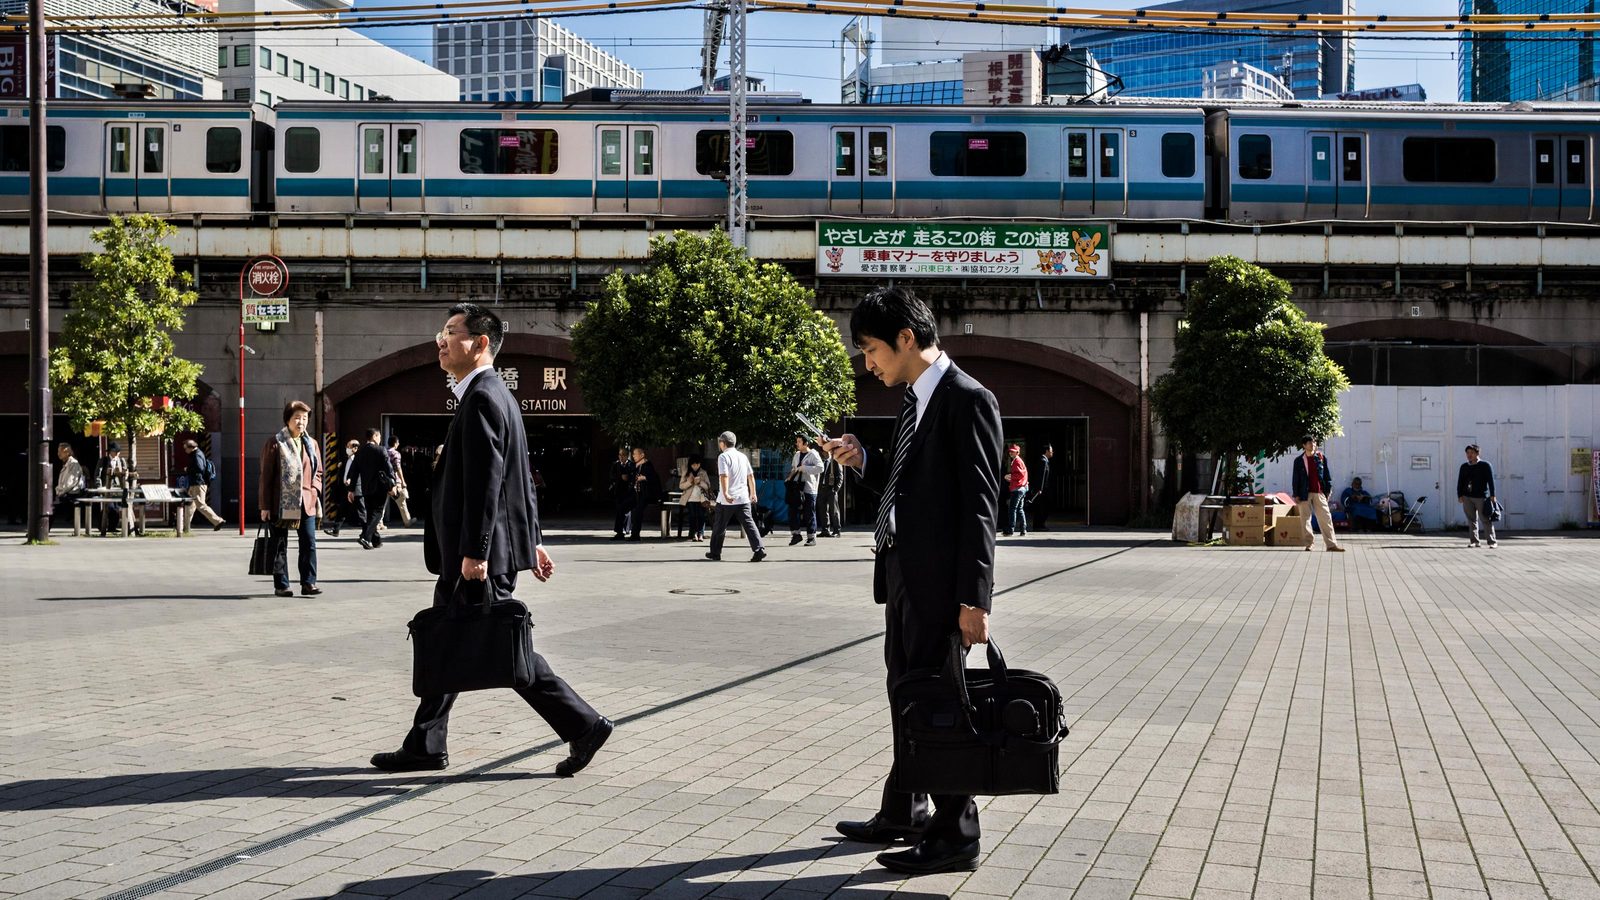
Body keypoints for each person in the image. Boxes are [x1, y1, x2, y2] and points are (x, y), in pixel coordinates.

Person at [371, 302, 612, 777]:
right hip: (484, 550)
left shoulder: (483, 395)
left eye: (450, 332)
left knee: (503, 649)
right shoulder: (493, 393)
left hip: (476, 555)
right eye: (440, 331)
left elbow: (488, 481)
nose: (440, 340)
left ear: (480, 343)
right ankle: (425, 743)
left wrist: (476, 553)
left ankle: (584, 724)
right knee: (450, 637)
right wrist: (533, 541)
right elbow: (517, 479)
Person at [822, 285, 1001, 875]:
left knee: (937, 701)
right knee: (907, 694)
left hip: (940, 588)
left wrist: (975, 599)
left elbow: (979, 507)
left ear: (906, 338)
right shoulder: (913, 401)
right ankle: (906, 807)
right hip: (903, 575)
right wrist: (864, 461)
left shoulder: (967, 400)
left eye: (872, 349)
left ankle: (956, 834)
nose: (867, 363)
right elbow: (910, 489)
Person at [258, 400, 323, 597]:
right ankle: (282, 585)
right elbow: (266, 477)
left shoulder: (312, 444)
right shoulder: (275, 443)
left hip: (306, 501)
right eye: (297, 418)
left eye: (304, 418)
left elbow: (318, 472)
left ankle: (308, 583)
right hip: (281, 502)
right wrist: (265, 506)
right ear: (288, 420)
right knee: (280, 544)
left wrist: (314, 490)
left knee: (309, 542)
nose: (301, 422)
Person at [706, 431, 766, 563]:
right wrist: (753, 493)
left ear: (723, 443)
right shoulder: (742, 456)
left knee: (719, 525)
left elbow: (724, 475)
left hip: (726, 500)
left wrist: (726, 492)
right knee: (749, 524)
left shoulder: (723, 457)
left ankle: (715, 552)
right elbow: (750, 476)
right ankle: (759, 549)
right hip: (743, 498)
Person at [1291, 438, 1345, 552]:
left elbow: (1327, 476)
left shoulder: (1321, 458)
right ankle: (1309, 544)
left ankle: (1331, 545)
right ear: (1304, 445)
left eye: (1314, 443)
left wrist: (1328, 491)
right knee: (1305, 519)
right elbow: (1295, 478)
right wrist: (1296, 494)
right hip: (1304, 493)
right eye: (1310, 443)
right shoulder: (1299, 460)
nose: (1313, 445)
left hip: (1319, 492)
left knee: (1326, 518)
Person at [348, 428, 395, 550]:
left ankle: (376, 540)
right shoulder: (381, 450)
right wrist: (392, 485)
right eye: (379, 437)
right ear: (375, 436)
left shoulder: (360, 452)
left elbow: (353, 472)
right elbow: (389, 468)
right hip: (380, 488)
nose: (380, 439)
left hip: (366, 488)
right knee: (377, 513)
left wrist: (351, 490)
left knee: (370, 514)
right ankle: (366, 537)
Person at [179, 439, 226, 533]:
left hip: (198, 484)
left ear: (191, 447)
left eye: (186, 448)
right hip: (195, 483)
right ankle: (184, 528)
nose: (185, 451)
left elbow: (199, 468)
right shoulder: (196, 454)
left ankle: (218, 521)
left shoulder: (197, 455)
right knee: (190, 506)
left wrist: (188, 469)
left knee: (200, 505)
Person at [1458, 444, 1498, 548]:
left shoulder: (1485, 465)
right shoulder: (1464, 466)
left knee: (1485, 519)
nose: (1469, 455)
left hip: (1481, 497)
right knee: (1471, 520)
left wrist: (1493, 495)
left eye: (1471, 453)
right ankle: (1474, 541)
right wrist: (1460, 495)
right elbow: (1460, 482)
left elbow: (1491, 481)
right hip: (1467, 497)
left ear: (1477, 453)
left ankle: (1492, 542)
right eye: (1467, 453)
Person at [786, 436, 823, 546]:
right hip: (796, 486)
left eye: (799, 442)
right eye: (796, 441)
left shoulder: (813, 454)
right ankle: (796, 534)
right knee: (792, 510)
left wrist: (805, 468)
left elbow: (820, 468)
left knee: (809, 512)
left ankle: (811, 537)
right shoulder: (797, 454)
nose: (797, 443)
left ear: (806, 443)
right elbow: (794, 467)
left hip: (809, 487)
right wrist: (790, 477)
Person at [326, 439, 361, 537]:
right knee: (342, 510)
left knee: (362, 512)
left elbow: (360, 474)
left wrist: (351, 480)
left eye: (349, 447)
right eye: (347, 446)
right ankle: (335, 530)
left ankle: (370, 533)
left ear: (355, 448)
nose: (347, 449)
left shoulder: (358, 459)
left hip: (355, 489)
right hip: (345, 489)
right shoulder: (345, 459)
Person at [95, 441, 130, 536]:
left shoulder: (121, 460)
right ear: (111, 451)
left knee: (116, 508)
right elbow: (98, 474)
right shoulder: (104, 460)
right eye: (116, 451)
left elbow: (125, 474)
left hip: (118, 488)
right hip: (106, 487)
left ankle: (112, 527)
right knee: (109, 507)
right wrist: (99, 486)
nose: (117, 453)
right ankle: (102, 525)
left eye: (118, 451)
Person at [628, 447, 660, 541]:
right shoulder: (636, 465)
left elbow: (654, 478)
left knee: (638, 512)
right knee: (628, 508)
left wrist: (644, 478)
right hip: (636, 494)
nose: (633, 456)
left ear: (642, 455)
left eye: (635, 454)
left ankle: (635, 535)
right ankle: (623, 533)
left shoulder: (647, 465)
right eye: (633, 454)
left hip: (646, 494)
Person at [52, 442, 85, 528]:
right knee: (52, 508)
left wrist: (59, 492)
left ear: (67, 452)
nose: (58, 454)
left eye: (61, 451)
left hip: (71, 493)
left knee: (52, 509)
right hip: (66, 492)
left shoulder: (73, 464)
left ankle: (42, 530)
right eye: (58, 451)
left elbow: (69, 482)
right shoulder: (66, 463)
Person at [679, 458, 712, 541]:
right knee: (692, 516)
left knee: (701, 516)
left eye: (697, 464)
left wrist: (700, 482)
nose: (695, 467)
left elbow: (708, 486)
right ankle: (693, 534)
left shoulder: (703, 472)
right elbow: (681, 486)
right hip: (690, 498)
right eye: (693, 465)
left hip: (701, 498)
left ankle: (700, 534)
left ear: (700, 464)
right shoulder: (686, 472)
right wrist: (689, 482)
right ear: (690, 465)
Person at [386, 435, 415, 528]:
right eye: (398, 442)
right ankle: (407, 521)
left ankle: (379, 524)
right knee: (401, 501)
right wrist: (403, 481)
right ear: (395, 443)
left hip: (384, 481)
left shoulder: (384, 452)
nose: (398, 444)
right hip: (395, 481)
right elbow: (398, 468)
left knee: (382, 503)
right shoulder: (396, 453)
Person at [1002, 444, 1028, 536]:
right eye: (1010, 451)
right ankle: (1023, 529)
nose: (1010, 453)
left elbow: (1019, 475)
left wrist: (1009, 477)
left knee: (1012, 509)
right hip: (1022, 488)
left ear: (1017, 452)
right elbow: (1022, 474)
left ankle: (1010, 529)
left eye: (1013, 451)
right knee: (1020, 509)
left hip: (1017, 488)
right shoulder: (1019, 461)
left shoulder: (1017, 461)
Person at [609, 448, 634, 540]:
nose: (621, 457)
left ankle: (626, 529)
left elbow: (633, 476)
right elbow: (612, 476)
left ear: (627, 456)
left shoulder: (631, 465)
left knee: (626, 511)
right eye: (620, 455)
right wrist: (619, 477)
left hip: (628, 491)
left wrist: (627, 478)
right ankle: (619, 531)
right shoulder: (615, 465)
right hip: (618, 491)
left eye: (623, 455)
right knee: (619, 510)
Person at [818, 451, 844, 537]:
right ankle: (825, 530)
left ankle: (837, 530)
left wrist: (836, 489)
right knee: (823, 510)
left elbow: (840, 476)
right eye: (824, 452)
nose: (825, 453)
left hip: (831, 489)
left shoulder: (835, 462)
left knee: (834, 511)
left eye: (827, 452)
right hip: (822, 489)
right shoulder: (821, 462)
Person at [1029, 444, 1054, 532]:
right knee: (1042, 507)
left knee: (1040, 507)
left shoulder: (1044, 460)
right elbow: (1041, 476)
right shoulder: (1043, 461)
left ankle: (1038, 525)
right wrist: (1040, 488)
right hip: (1042, 490)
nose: (1052, 452)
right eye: (1051, 450)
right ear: (1046, 451)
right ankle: (1039, 525)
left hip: (1042, 489)